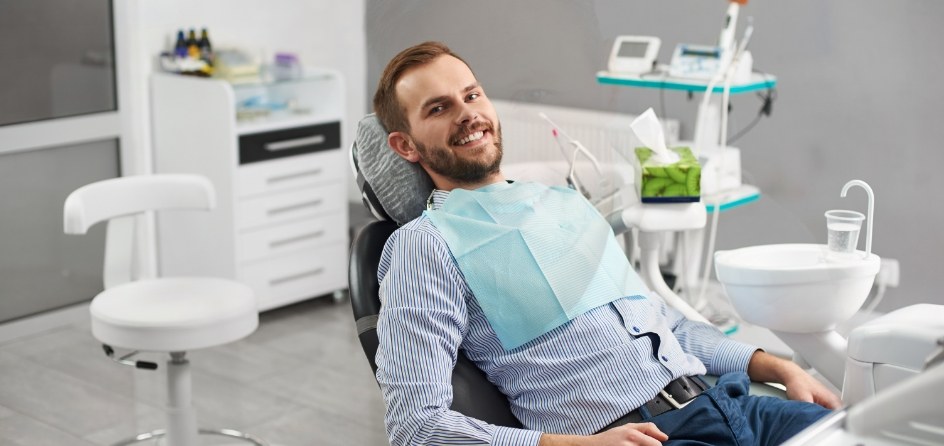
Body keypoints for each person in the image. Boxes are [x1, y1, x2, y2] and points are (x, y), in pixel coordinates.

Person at [372, 41, 840, 446]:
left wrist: (777, 367)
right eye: (439, 108)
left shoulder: (564, 204)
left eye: (471, 95)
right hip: (632, 434)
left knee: (867, 433)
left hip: (728, 404)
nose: (468, 113)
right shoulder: (426, 247)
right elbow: (417, 427)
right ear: (406, 146)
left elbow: (667, 324)